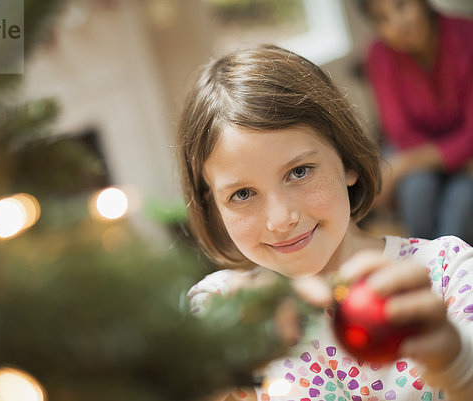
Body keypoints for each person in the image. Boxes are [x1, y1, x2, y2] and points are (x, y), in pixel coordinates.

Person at [176, 44, 473, 400]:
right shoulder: (219, 309)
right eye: (242, 194)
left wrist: (456, 365)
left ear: (346, 160)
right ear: (214, 207)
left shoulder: (446, 272)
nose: (281, 219)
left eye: (299, 172)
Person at [360, 0, 473, 244]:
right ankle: (422, 270)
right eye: (383, 19)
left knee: (463, 200)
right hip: (419, 153)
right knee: (417, 190)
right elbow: (400, 131)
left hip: (442, 156)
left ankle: (453, 273)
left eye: (401, 6)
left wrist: (403, 164)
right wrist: (448, 159)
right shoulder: (378, 54)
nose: (397, 24)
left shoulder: (467, 36)